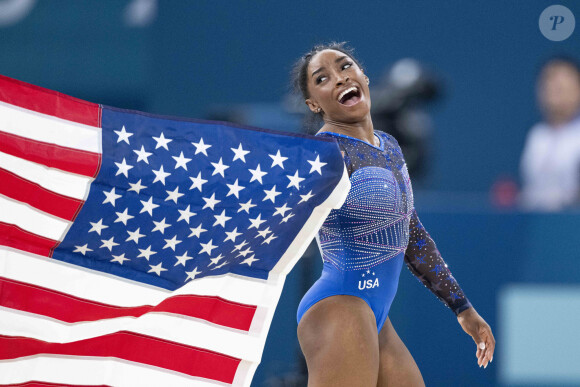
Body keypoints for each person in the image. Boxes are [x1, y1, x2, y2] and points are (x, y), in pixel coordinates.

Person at [291, 42, 495, 386]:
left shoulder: (389, 145)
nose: (340, 79)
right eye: (323, 78)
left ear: (364, 76)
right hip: (339, 305)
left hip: (375, 316)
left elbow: (412, 234)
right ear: (313, 104)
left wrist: (462, 308)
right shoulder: (323, 153)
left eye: (345, 67)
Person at [519, 56, 580, 211]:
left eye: (561, 87)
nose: (553, 90)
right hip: (537, 226)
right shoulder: (537, 136)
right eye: (548, 84)